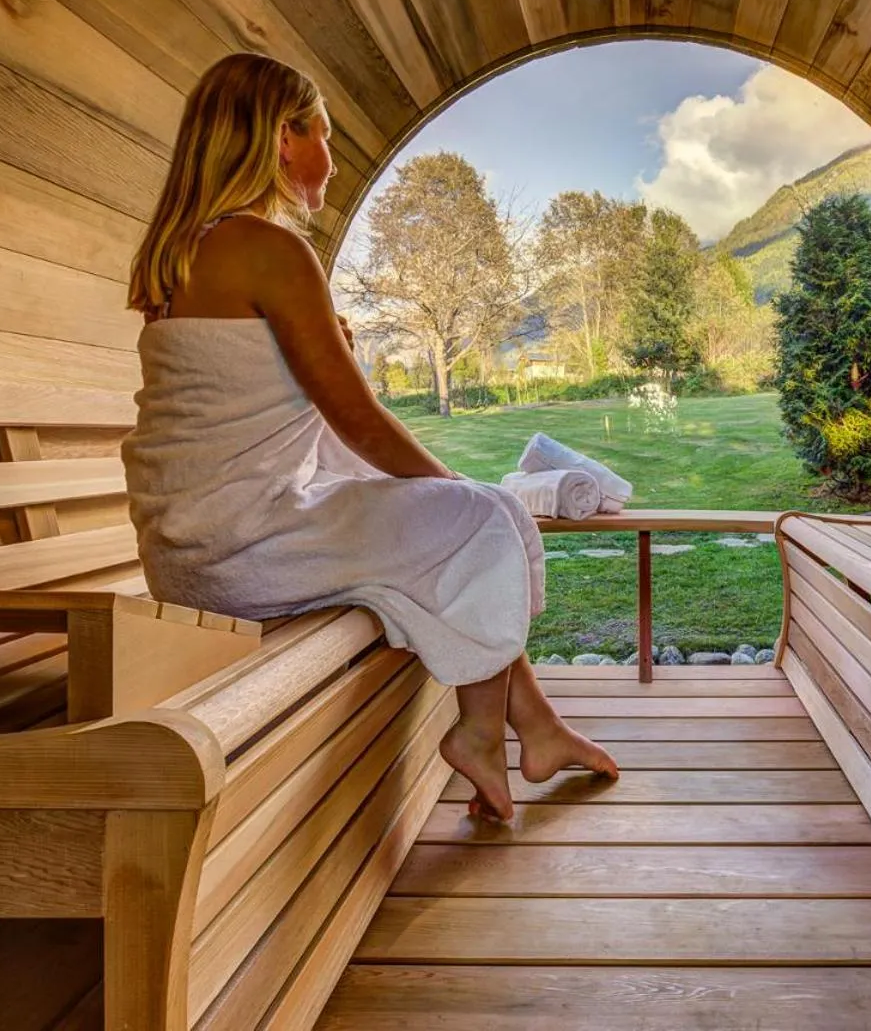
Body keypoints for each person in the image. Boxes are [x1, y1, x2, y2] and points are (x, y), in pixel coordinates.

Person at [122, 52, 616, 820]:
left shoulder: (185, 254)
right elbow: (355, 420)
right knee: (481, 516)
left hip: (194, 543)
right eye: (324, 134)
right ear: (283, 139)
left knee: (479, 518)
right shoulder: (268, 250)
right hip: (241, 543)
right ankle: (483, 736)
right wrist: (449, 488)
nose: (333, 155)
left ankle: (535, 725)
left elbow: (254, 419)